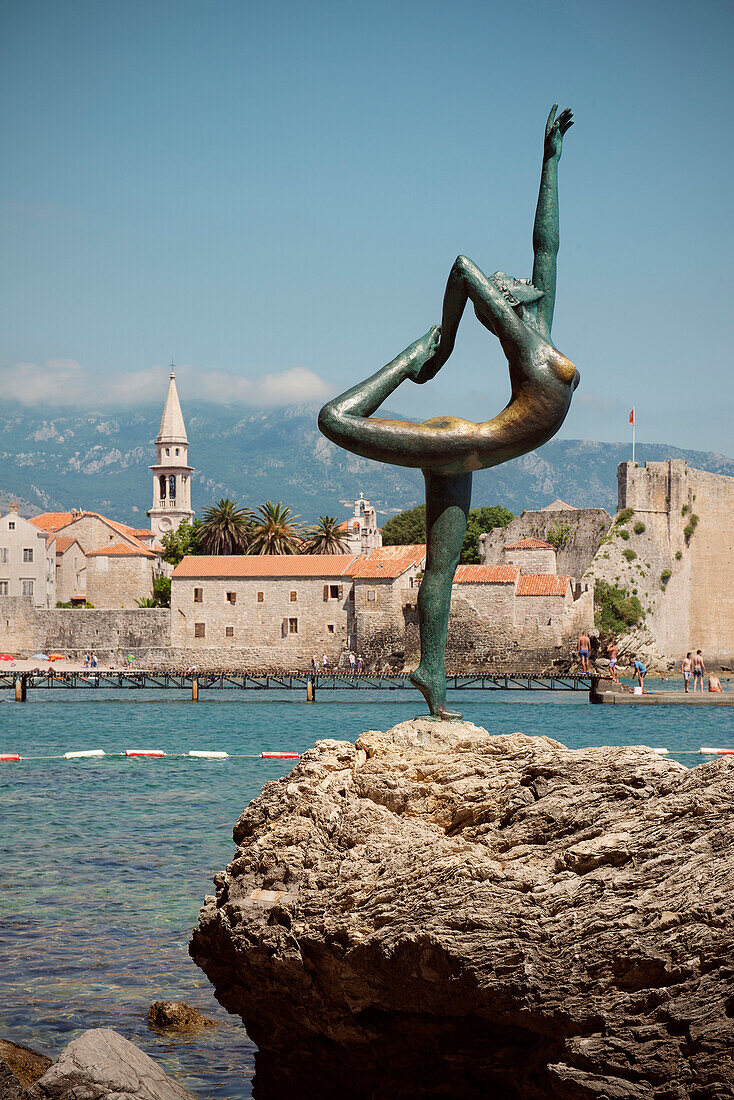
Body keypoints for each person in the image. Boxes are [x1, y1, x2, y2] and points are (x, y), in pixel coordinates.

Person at [318, 106, 577, 719]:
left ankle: (431, 676)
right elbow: (464, 268)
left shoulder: (538, 329)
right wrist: (440, 348)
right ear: (503, 303)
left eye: (512, 281)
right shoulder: (518, 332)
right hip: (461, 441)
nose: (514, 279)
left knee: (442, 569)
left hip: (465, 448)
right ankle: (405, 362)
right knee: (335, 419)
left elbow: (549, 244)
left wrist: (551, 163)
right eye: (507, 284)